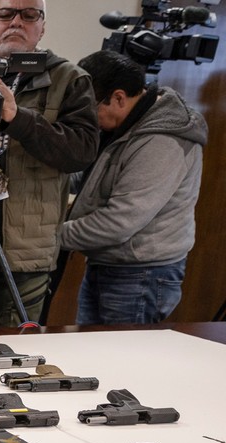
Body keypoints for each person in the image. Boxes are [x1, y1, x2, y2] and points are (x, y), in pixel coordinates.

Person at [0, 0, 98, 327]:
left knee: (9, 345)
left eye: (29, 15)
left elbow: (81, 152)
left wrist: (18, 119)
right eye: (4, 14)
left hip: (23, 249)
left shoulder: (68, 78)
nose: (15, 22)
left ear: (42, 28)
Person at [58, 51, 206, 325]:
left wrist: (49, 237)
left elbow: (119, 221)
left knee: (120, 352)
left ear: (118, 98)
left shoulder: (161, 140)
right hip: (110, 262)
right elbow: (87, 174)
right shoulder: (125, 125)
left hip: (141, 274)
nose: (88, 118)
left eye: (90, 108)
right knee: (91, 348)